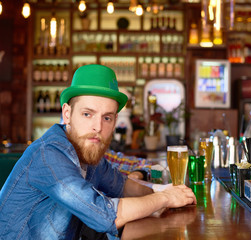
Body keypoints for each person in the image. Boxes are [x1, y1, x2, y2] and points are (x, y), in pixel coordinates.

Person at [0, 64, 196, 239]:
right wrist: (165, 198)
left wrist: (163, 190)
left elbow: (124, 187)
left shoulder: (88, 155)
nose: (98, 127)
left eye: (107, 118)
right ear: (67, 114)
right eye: (87, 114)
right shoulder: (48, 155)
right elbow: (106, 215)